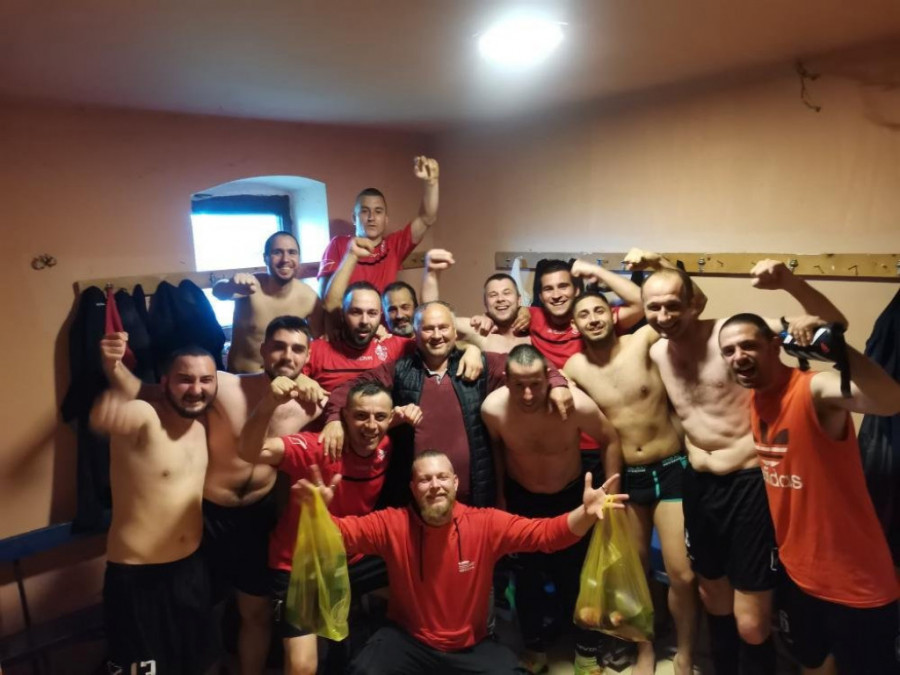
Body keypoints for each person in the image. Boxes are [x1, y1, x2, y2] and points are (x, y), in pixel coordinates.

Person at [637, 255, 847, 675]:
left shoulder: (731, 336)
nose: (663, 316)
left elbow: (834, 325)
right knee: (713, 599)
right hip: (698, 482)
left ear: (693, 303)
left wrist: (790, 283)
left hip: (750, 482)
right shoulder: (657, 351)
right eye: (653, 307)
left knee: (751, 622)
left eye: (673, 305)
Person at [101, 317, 322, 675]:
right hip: (208, 515)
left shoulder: (314, 402)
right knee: (204, 613)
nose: (287, 355)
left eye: (298, 349)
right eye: (279, 346)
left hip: (257, 516)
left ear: (309, 355)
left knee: (256, 613)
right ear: (263, 349)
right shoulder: (222, 385)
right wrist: (113, 368)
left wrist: (328, 408)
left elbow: (347, 408)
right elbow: (150, 392)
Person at [297, 451, 626, 675]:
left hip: (469, 647)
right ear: (413, 488)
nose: (435, 485)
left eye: (442, 477)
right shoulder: (392, 523)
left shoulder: (485, 523)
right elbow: (340, 536)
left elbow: (546, 535)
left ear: (455, 483)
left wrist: (585, 514)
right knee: (362, 669)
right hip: (408, 641)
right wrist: (317, 514)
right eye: (425, 479)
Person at [719, 312, 900, 675]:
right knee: (812, 662)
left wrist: (837, 346)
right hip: (798, 574)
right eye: (729, 350)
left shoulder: (813, 389)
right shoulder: (757, 399)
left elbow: (890, 400)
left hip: (856, 581)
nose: (738, 356)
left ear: (775, 347)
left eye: (749, 345)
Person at [320, 301, 574, 508]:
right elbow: (348, 388)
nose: (437, 335)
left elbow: (529, 362)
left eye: (443, 327)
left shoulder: (480, 364)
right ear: (415, 333)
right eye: (428, 329)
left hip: (476, 494)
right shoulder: (398, 370)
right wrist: (334, 420)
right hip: (414, 499)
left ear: (454, 331)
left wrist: (557, 383)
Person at [564, 287, 698, 675]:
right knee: (635, 572)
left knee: (681, 573)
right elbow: (551, 389)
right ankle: (645, 648)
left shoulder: (642, 339)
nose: (593, 319)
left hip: (670, 466)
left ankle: (685, 651)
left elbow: (689, 302)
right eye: (584, 314)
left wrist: (599, 273)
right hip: (627, 476)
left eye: (599, 310)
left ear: (614, 314)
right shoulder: (574, 368)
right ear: (575, 325)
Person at [481, 344, 622, 675]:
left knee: (577, 578)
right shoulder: (493, 410)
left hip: (569, 497)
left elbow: (610, 438)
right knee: (527, 579)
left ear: (548, 377)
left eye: (535, 384)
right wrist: (500, 497)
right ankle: (535, 649)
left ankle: (586, 653)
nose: (528, 394)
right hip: (523, 499)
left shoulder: (575, 405)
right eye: (519, 385)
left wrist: (610, 495)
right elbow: (497, 449)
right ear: (506, 380)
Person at [239, 379, 395, 675]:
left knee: (420, 585)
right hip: (301, 565)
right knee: (302, 667)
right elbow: (250, 452)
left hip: (351, 559)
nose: (371, 426)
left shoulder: (385, 445)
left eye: (380, 417)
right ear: (345, 416)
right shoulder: (316, 447)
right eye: (361, 416)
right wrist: (269, 403)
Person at [90, 346, 219, 675]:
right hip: (138, 579)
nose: (196, 389)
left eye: (206, 380)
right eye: (185, 379)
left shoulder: (204, 426)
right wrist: (107, 411)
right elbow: (122, 414)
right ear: (165, 383)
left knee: (196, 666)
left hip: (191, 571)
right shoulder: (146, 416)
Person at [318, 156, 440, 295]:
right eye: (365, 211)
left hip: (387, 310)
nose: (371, 218)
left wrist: (431, 183)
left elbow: (426, 218)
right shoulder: (338, 245)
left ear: (386, 219)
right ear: (354, 218)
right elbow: (324, 297)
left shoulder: (394, 246)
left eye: (378, 211)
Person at [213, 231, 324, 373]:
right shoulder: (250, 286)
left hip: (285, 380)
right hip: (242, 379)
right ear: (265, 258)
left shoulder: (310, 298)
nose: (285, 259)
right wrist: (231, 284)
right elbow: (218, 291)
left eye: (292, 252)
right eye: (277, 252)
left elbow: (319, 344)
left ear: (299, 258)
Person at [421, 249, 531, 353]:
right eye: (493, 295)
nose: (500, 299)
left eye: (506, 293)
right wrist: (431, 274)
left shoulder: (533, 329)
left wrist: (526, 311)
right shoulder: (478, 330)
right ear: (485, 302)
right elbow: (434, 318)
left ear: (519, 299)